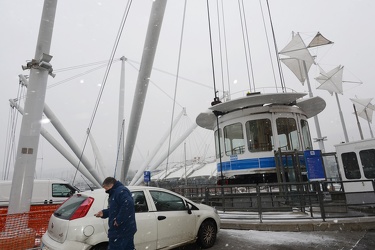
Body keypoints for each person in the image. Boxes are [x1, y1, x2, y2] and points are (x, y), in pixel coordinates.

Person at [94, 177, 137, 250]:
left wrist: (118, 220)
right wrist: (104, 213)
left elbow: (128, 204)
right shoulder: (117, 192)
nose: (105, 190)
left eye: (105, 188)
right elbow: (115, 209)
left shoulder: (120, 191)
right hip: (123, 230)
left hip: (120, 231)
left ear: (110, 185)